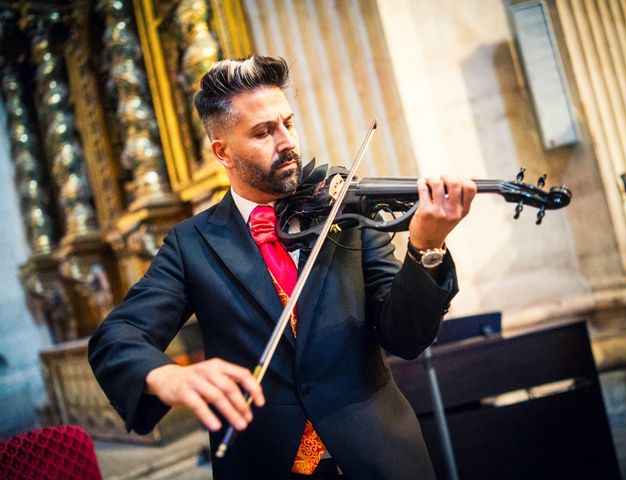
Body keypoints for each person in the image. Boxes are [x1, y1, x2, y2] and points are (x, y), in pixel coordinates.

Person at [89, 55, 476, 480]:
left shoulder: (343, 208)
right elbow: (117, 336)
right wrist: (163, 375)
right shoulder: (191, 244)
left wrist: (427, 247)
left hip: (377, 457)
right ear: (223, 152)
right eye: (263, 132)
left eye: (288, 123)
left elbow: (406, 336)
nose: (286, 140)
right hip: (267, 465)